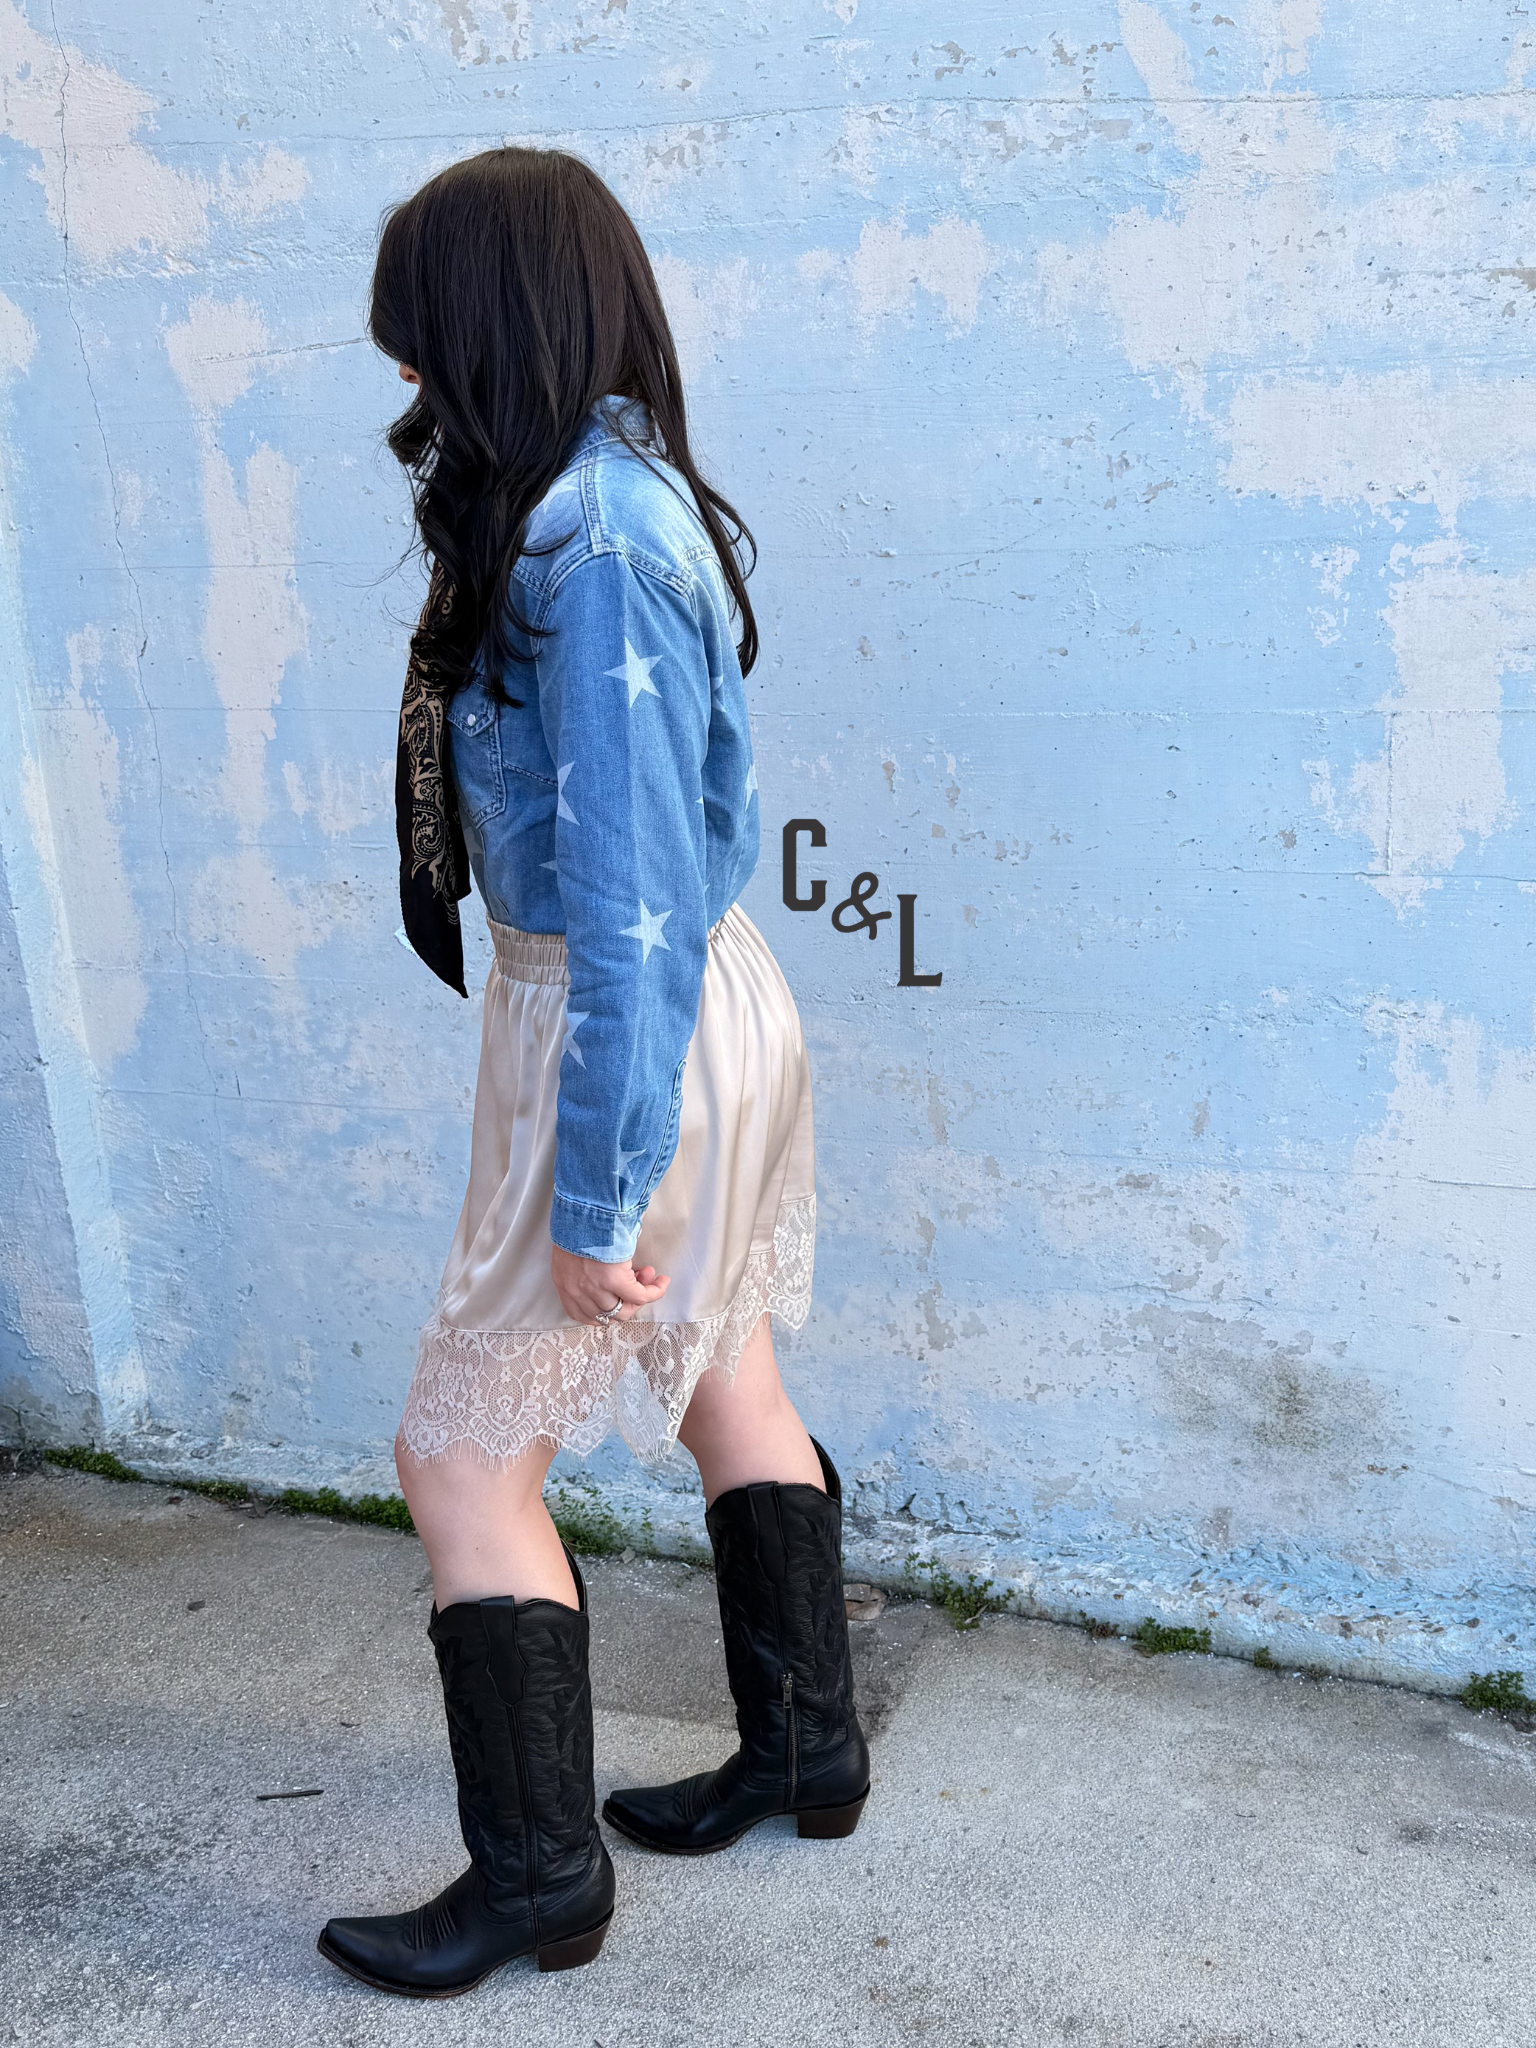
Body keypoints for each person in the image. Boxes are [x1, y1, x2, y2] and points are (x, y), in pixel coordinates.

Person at [317, 146, 869, 2001]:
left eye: (418, 340)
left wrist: (596, 1192)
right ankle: (806, 1751)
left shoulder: (588, 546)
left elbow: (624, 911)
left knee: (458, 1459)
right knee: (724, 1365)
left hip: (627, 1020)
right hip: (689, 1002)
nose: (406, 379)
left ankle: (538, 1882)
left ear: (492, 325)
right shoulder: (603, 498)